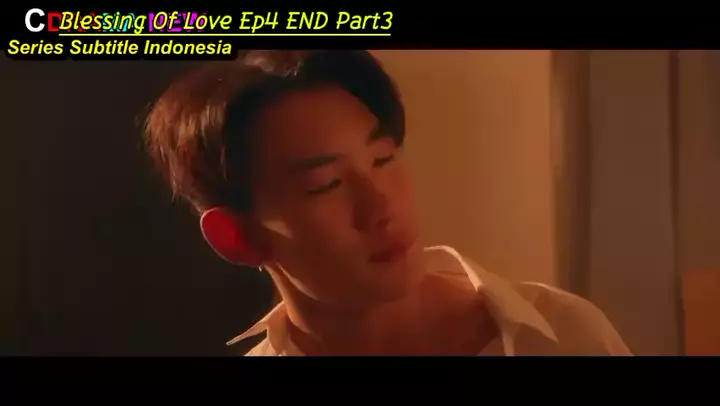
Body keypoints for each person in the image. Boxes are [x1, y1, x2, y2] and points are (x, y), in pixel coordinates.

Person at [144, 50, 631, 356]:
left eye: (382, 159)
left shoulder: (562, 335)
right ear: (238, 237)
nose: (381, 206)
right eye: (326, 184)